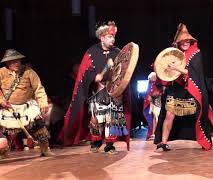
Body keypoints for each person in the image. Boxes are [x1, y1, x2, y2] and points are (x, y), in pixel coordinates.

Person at [59, 21, 131, 154]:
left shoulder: (118, 52)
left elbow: (124, 71)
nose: (113, 39)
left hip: (113, 92)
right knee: (96, 119)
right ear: (102, 37)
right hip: (97, 91)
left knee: (111, 118)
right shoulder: (91, 52)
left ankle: (110, 145)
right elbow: (83, 72)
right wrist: (94, 77)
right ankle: (96, 141)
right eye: (110, 37)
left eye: (114, 37)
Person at [154, 23, 213, 151]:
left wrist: (175, 67)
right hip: (177, 89)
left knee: (199, 115)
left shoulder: (195, 53)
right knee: (169, 115)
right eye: (183, 41)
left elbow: (191, 72)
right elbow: (162, 66)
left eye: (188, 40)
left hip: (192, 90)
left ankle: (204, 141)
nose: (185, 42)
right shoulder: (174, 53)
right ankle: (163, 142)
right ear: (178, 42)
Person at [0, 49, 54, 157]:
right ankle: (2, 151)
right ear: (7, 63)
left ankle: (45, 148)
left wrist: (43, 102)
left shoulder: (29, 72)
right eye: (12, 61)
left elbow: (39, 88)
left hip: (27, 106)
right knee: (3, 130)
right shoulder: (1, 73)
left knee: (39, 126)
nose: (16, 63)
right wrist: (1, 101)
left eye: (17, 61)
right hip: (8, 107)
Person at [143, 71, 163, 140]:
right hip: (154, 102)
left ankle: (158, 134)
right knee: (154, 117)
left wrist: (157, 93)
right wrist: (149, 96)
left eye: (152, 80)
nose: (151, 82)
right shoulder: (151, 83)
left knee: (158, 118)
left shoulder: (160, 83)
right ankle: (154, 133)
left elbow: (162, 91)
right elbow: (149, 92)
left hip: (159, 102)